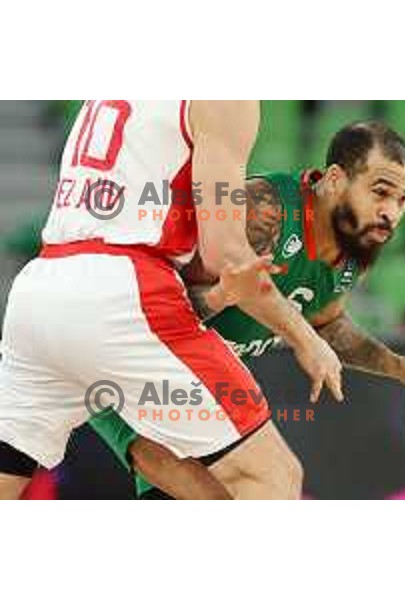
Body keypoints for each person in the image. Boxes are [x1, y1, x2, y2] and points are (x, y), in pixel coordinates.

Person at [88, 120, 405, 499]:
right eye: (380, 192)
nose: (392, 212)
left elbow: (326, 324)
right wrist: (234, 302)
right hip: (127, 358)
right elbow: (153, 303)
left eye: (403, 199)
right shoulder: (264, 212)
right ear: (334, 180)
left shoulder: (359, 247)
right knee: (273, 479)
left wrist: (399, 366)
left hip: (192, 385)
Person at [0, 100, 345, 500]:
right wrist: (307, 339)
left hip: (39, 288)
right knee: (270, 477)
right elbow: (225, 254)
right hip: (124, 291)